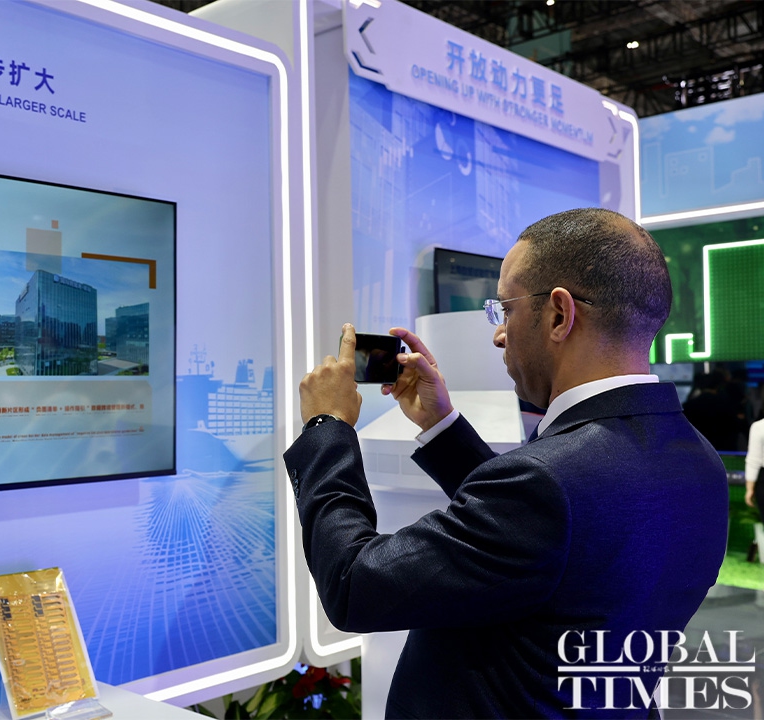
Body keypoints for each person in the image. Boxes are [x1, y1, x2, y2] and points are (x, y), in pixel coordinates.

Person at [285, 208, 728, 718]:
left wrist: (327, 427)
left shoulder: (547, 483)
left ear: (559, 315)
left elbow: (353, 586)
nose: (498, 334)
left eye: (504, 309)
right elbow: (540, 543)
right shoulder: (700, 462)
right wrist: (441, 424)